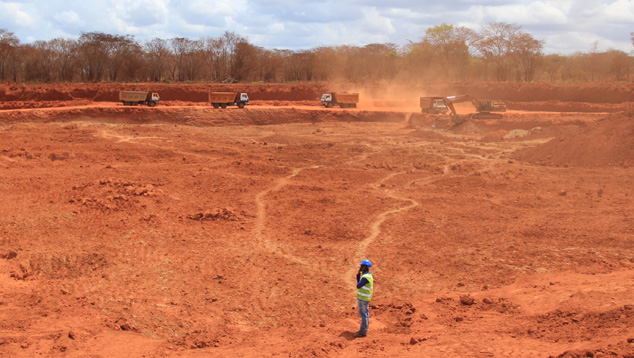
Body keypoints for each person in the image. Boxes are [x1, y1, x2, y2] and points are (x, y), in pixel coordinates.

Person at [354, 259, 374, 338]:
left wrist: (360, 275)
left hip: (363, 299)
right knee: (363, 314)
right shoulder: (366, 276)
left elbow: (358, 285)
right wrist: (358, 275)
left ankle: (363, 331)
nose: (360, 267)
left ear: (365, 267)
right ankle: (363, 330)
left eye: (362, 266)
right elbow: (359, 283)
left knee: (364, 315)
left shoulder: (366, 277)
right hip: (362, 297)